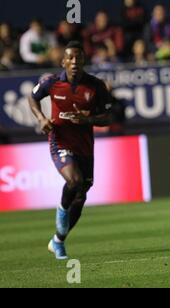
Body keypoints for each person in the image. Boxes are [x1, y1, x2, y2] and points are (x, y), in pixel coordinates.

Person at [28, 41, 112, 260]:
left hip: (85, 146)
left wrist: (89, 119)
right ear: (63, 61)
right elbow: (32, 97)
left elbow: (109, 117)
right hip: (60, 141)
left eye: (79, 58)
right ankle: (61, 212)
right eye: (71, 58)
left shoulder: (95, 86)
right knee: (74, 181)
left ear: (84, 61)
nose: (75, 62)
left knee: (82, 194)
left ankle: (58, 240)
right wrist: (41, 118)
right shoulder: (51, 82)